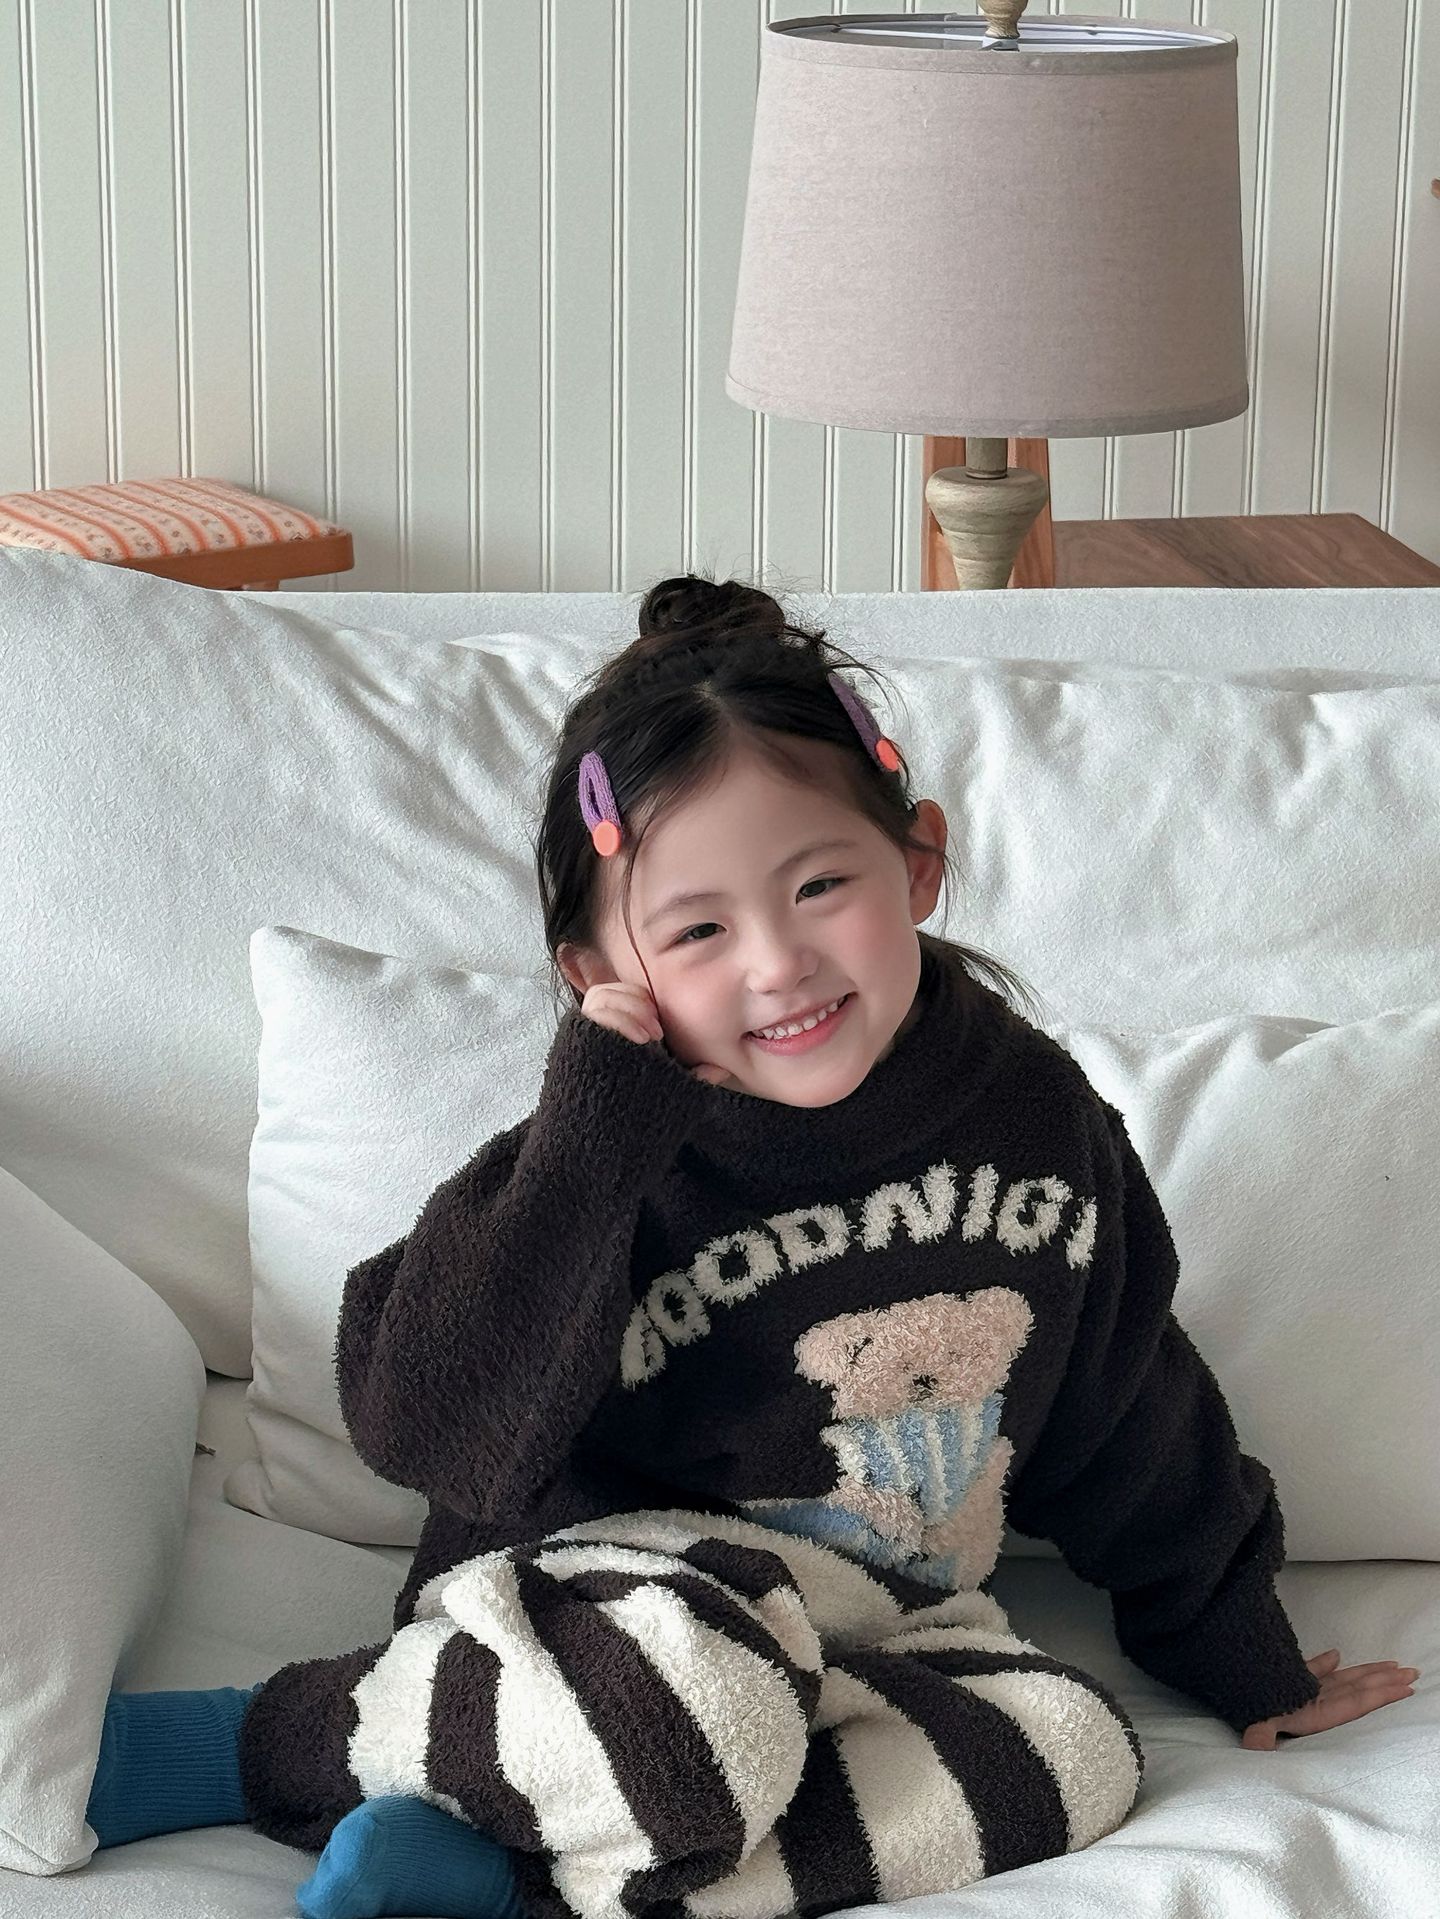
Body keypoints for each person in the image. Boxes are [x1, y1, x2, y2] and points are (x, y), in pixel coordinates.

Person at [84, 575, 1419, 1919]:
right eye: (699, 930)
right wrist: (592, 1137)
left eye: (821, 886)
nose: (778, 962)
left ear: (920, 865)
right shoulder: (593, 1157)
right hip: (605, 1614)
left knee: (1071, 1754)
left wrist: (1243, 1659)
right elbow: (425, 1429)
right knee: (693, 1706)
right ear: (599, 973)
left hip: (876, 1630)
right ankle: (283, 1740)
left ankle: (500, 1870)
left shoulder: (1038, 1120)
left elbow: (1130, 1407)